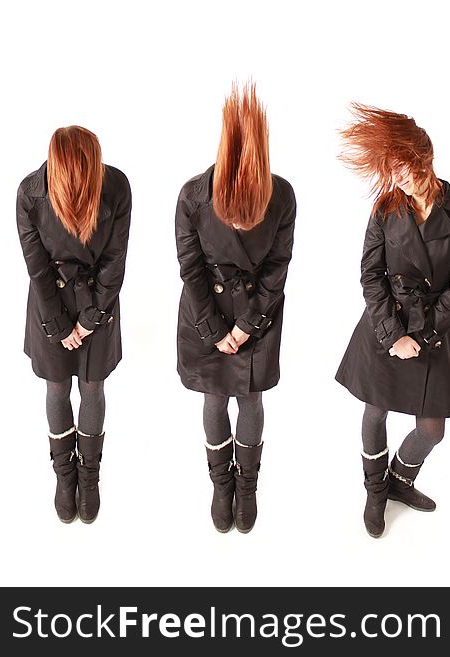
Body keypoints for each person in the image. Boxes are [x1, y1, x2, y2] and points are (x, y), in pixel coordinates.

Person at [335, 103, 450, 538]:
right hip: (385, 325)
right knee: (374, 410)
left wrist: (427, 331)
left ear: (425, 159)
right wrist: (394, 335)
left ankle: (399, 479)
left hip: (435, 329)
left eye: (404, 167)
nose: (397, 176)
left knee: (432, 429)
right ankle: (375, 491)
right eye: (391, 169)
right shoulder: (385, 208)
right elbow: (370, 274)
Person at [175, 84, 296, 534]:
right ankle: (220, 483)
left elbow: (277, 268)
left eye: (251, 218)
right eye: (236, 218)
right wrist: (214, 331)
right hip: (205, 312)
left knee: (250, 396)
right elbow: (191, 270)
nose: (244, 224)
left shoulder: (282, 196)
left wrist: (245, 328)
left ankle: (247, 485)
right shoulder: (192, 196)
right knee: (214, 396)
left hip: (257, 314)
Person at [17, 126, 132, 524]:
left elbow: (114, 260)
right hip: (51, 306)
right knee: (57, 386)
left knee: (93, 386)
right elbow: (38, 269)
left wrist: (90, 319)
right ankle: (65, 477)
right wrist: (60, 324)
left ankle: (90, 475)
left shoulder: (115, 186)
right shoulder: (31, 193)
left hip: (99, 302)